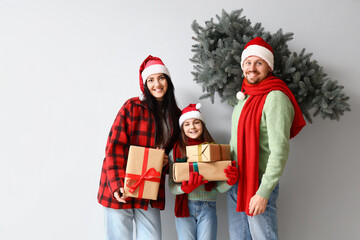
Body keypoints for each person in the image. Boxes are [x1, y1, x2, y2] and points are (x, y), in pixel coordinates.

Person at [227, 37, 306, 240]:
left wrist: (263, 192)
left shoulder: (275, 97)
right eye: (248, 63)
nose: (252, 68)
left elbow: (279, 151)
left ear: (268, 66)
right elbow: (234, 143)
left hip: (258, 182)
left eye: (259, 63)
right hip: (236, 182)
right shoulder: (245, 97)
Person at [97, 55, 181, 240]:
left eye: (161, 78)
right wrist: (117, 184)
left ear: (168, 81)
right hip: (120, 185)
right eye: (151, 79)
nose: (157, 84)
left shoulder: (176, 116)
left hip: (148, 187)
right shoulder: (132, 107)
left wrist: (166, 162)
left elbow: (175, 156)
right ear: (145, 84)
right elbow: (114, 147)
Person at [168, 103, 239, 240]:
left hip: (208, 206)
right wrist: (185, 188)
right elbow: (171, 186)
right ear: (182, 128)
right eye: (187, 124)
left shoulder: (214, 149)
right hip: (184, 208)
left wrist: (230, 181)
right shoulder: (176, 152)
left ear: (203, 125)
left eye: (196, 122)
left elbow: (219, 187)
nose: (192, 127)